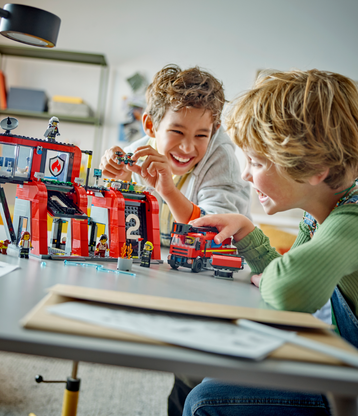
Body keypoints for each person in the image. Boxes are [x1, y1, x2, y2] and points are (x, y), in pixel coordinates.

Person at [183, 69, 358, 416]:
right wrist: (247, 231)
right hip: (343, 359)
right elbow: (291, 269)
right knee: (200, 373)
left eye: (257, 161)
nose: (246, 173)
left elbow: (289, 289)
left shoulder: (351, 220)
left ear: (315, 168)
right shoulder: (322, 209)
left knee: (206, 401)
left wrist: (275, 280)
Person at [100, 65, 251, 247]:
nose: (187, 148)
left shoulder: (221, 159)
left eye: (201, 135)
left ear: (213, 132)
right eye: (177, 131)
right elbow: (123, 232)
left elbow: (214, 236)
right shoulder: (135, 157)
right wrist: (123, 185)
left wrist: (169, 192)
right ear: (150, 125)